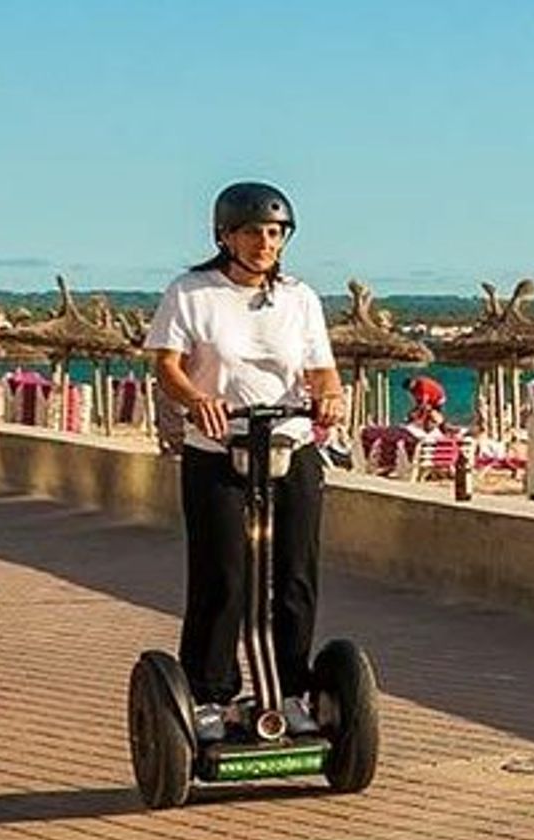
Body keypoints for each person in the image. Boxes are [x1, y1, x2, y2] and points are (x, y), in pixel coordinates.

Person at [144, 181, 348, 734]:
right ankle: (210, 695)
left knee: (295, 574)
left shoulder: (299, 297)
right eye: (254, 231)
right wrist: (196, 400)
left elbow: (320, 369)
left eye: (275, 232)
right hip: (218, 449)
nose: (265, 242)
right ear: (225, 235)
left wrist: (329, 394)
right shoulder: (191, 292)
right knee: (225, 576)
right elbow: (167, 365)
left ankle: (293, 690)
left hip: (291, 444)